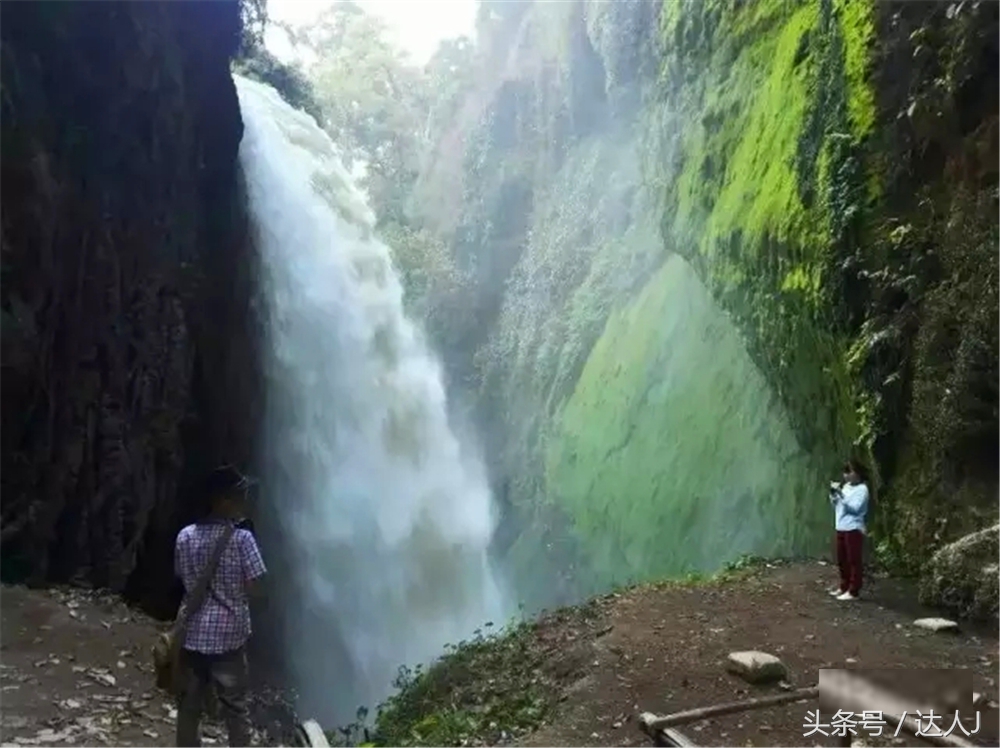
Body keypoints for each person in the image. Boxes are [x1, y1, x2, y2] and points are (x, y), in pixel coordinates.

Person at [174, 465, 266, 747]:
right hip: (229, 639)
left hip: (192, 636)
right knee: (236, 708)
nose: (244, 500)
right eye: (239, 495)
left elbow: (182, 578)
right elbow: (256, 588)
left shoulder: (185, 536)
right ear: (222, 501)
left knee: (189, 706)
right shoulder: (243, 539)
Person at [828, 459, 870, 601]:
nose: (846, 475)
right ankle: (844, 586)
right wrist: (834, 495)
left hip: (854, 527)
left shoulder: (862, 489)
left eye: (849, 472)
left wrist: (842, 495)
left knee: (854, 560)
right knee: (842, 560)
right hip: (841, 526)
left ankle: (853, 591)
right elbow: (838, 507)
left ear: (857, 473)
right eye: (845, 472)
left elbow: (855, 508)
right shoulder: (846, 487)